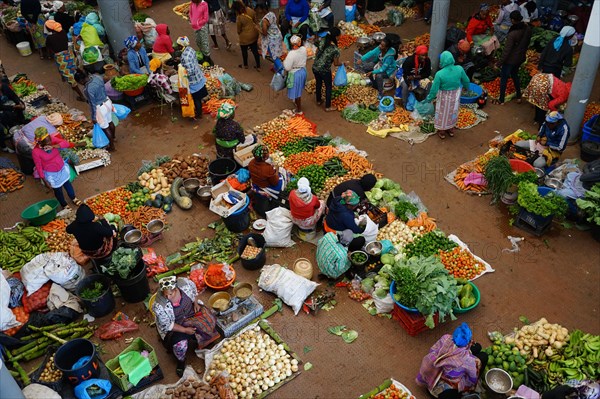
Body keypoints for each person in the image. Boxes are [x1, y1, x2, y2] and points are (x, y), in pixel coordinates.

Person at [152, 276, 219, 377]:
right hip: (175, 325)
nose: (168, 297)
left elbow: (194, 292)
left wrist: (195, 303)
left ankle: (202, 341)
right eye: (165, 295)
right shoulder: (159, 306)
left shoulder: (185, 285)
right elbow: (168, 325)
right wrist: (184, 330)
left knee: (209, 320)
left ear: (176, 289)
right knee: (180, 345)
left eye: (171, 294)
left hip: (190, 312)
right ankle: (181, 362)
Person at [416, 323, 488, 399]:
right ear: (467, 342)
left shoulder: (445, 338)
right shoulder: (467, 360)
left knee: (477, 347)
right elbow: (472, 378)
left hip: (431, 379)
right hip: (442, 393)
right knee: (483, 356)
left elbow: (432, 350)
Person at [32, 127, 82, 209]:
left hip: (61, 168)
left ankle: (73, 198)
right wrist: (44, 180)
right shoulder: (36, 152)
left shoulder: (52, 140)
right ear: (40, 142)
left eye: (49, 140)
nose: (49, 142)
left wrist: (54, 146)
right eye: (46, 141)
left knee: (67, 183)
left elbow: (66, 143)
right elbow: (39, 166)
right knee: (58, 190)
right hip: (52, 174)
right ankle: (64, 204)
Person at [425, 51, 470, 139]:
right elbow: (466, 80)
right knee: (453, 111)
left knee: (442, 112)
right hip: (455, 95)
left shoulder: (439, 74)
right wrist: (466, 87)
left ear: (442, 61)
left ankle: (442, 131)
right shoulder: (459, 69)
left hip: (444, 96)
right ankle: (451, 129)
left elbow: (434, 89)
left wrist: (429, 98)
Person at [44, 20, 86, 101]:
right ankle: (84, 82)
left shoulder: (49, 38)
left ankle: (82, 96)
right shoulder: (62, 32)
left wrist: (51, 55)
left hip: (61, 58)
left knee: (70, 78)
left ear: (50, 29)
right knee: (75, 69)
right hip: (69, 54)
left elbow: (49, 49)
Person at [75, 71, 116, 151]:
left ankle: (112, 146)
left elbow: (93, 104)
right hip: (107, 102)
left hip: (100, 108)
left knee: (105, 127)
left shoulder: (88, 89)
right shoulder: (96, 76)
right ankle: (113, 138)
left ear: (81, 81)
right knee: (110, 121)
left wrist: (94, 117)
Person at [496, 11, 531, 105]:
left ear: (512, 20)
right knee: (515, 75)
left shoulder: (513, 34)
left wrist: (499, 63)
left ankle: (501, 100)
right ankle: (519, 96)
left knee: (504, 77)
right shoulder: (527, 28)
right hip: (520, 58)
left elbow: (506, 51)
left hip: (510, 60)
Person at [178, 36, 209, 119]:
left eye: (179, 45)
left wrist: (183, 75)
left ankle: (199, 114)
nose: (177, 47)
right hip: (198, 75)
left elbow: (190, 71)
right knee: (199, 96)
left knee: (196, 99)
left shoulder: (185, 57)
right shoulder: (190, 49)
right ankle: (199, 109)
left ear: (182, 46)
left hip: (193, 80)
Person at [312, 28, 342, 112]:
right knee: (328, 87)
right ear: (336, 37)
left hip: (315, 67)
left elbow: (317, 51)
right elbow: (336, 63)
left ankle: (318, 100)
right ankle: (328, 106)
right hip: (324, 70)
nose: (340, 37)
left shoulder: (323, 40)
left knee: (319, 83)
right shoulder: (335, 49)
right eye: (340, 35)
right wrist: (343, 63)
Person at [283, 35, 308, 115]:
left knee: (297, 93)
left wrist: (284, 62)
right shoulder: (304, 49)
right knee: (299, 89)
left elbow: (287, 67)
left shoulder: (291, 54)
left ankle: (299, 110)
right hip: (302, 71)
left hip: (295, 74)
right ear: (299, 43)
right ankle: (296, 103)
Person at [233, 1, 260, 71]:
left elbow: (238, 30)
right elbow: (255, 19)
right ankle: (258, 65)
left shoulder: (239, 17)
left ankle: (245, 65)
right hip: (254, 34)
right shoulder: (250, 10)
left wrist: (239, 33)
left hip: (245, 38)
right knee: (255, 51)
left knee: (244, 51)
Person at [189, 0, 214, 66]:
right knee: (198, 41)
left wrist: (198, 23)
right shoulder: (192, 3)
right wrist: (192, 21)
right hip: (195, 27)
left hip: (202, 27)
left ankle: (207, 59)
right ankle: (203, 55)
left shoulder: (204, 4)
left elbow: (205, 18)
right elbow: (190, 13)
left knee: (204, 42)